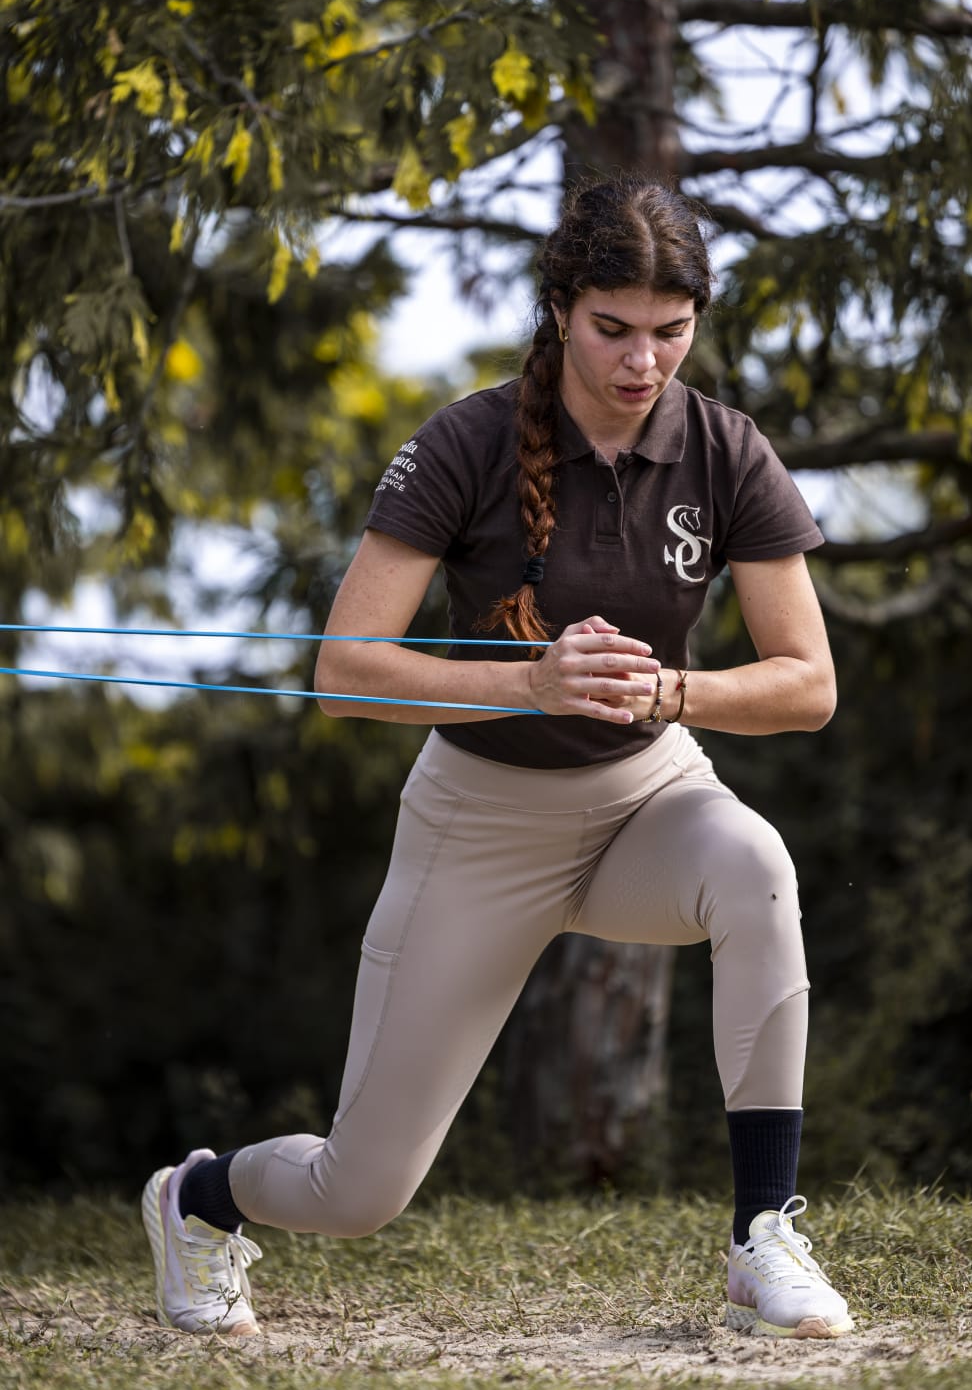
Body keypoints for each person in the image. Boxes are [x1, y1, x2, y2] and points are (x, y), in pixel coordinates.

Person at [143, 174, 854, 1341]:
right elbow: (345, 670)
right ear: (561, 310)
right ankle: (198, 1197)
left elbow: (807, 685)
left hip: (648, 802)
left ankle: (762, 1236)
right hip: (480, 823)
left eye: (670, 333)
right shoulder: (467, 441)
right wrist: (529, 682)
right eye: (612, 329)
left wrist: (671, 691)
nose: (642, 362)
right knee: (356, 1192)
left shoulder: (725, 451)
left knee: (755, 866)